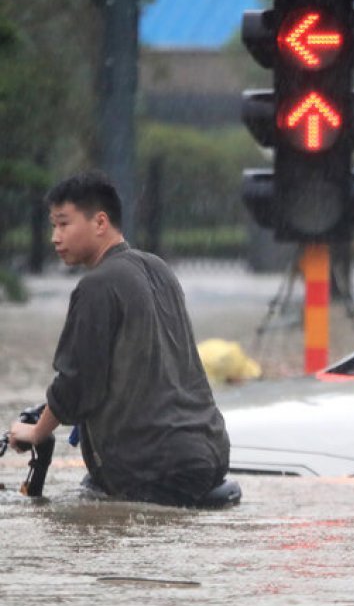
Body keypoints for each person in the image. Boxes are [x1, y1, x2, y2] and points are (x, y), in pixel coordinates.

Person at [8, 170, 232, 507]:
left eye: (64, 224)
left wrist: (36, 432)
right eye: (53, 225)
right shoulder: (159, 268)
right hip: (209, 454)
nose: (55, 237)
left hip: (151, 468)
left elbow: (76, 384)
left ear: (100, 222)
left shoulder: (97, 285)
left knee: (75, 540)